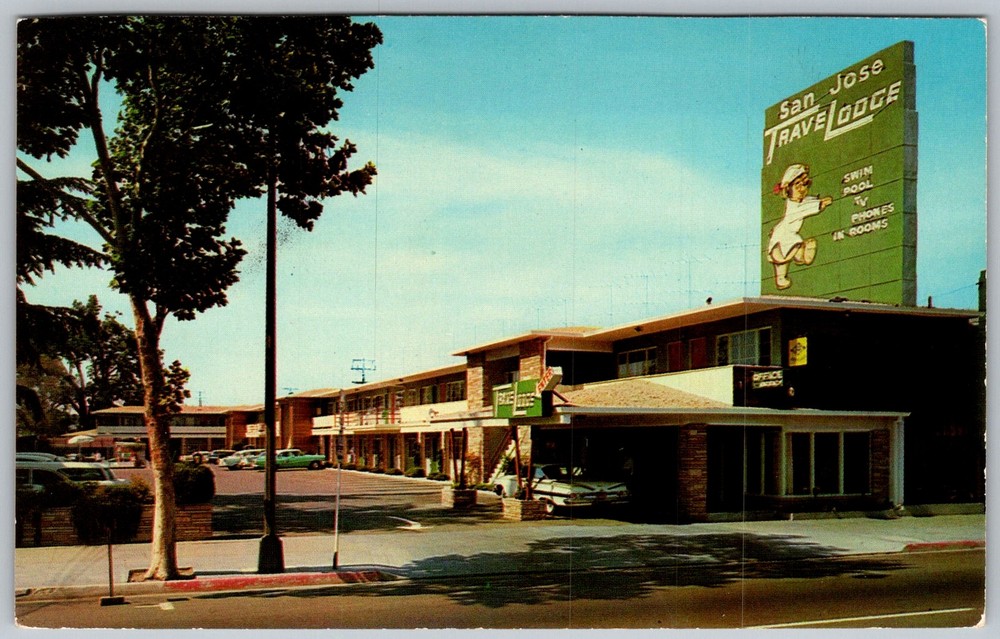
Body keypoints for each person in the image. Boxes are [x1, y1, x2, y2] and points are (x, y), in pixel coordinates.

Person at [767, 163, 833, 290]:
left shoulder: (800, 201)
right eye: (798, 185)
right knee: (784, 254)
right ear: (788, 188)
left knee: (787, 252)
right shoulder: (793, 205)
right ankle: (796, 261)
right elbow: (803, 209)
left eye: (804, 185)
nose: (802, 189)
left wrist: (820, 201)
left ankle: (799, 257)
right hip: (783, 235)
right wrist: (820, 204)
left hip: (787, 234)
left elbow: (807, 202)